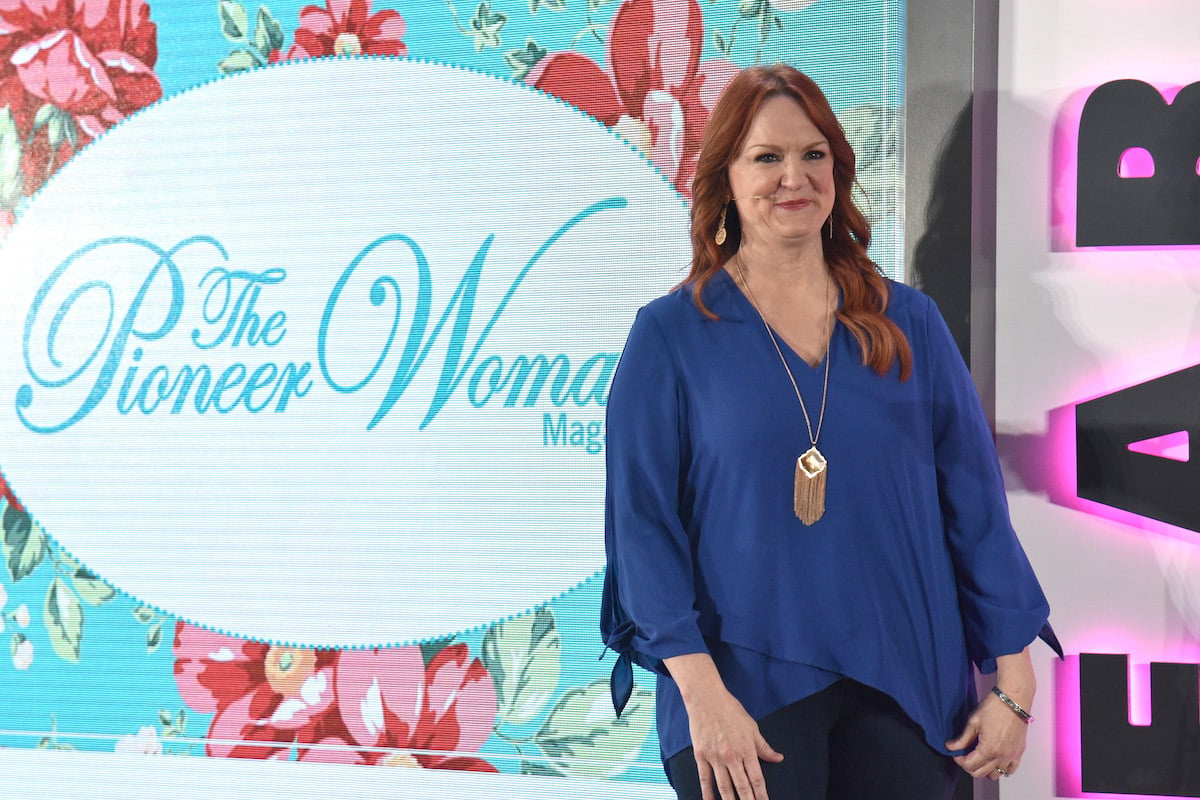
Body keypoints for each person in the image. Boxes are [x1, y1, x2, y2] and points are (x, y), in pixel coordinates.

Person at [600, 64, 1060, 800]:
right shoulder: (669, 337)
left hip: (910, 683)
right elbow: (642, 531)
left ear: (838, 172)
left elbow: (974, 507)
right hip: (741, 693)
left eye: (813, 155)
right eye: (767, 157)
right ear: (725, 177)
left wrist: (1014, 674)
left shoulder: (910, 323)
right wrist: (700, 695)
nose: (795, 177)